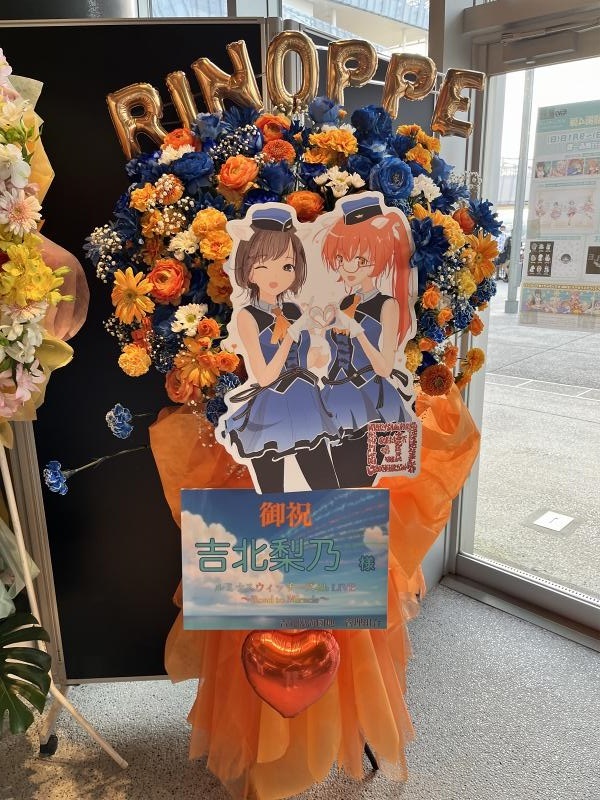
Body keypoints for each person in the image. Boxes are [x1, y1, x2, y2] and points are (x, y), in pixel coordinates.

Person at [221, 206, 339, 493]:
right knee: (271, 491)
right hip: (271, 406)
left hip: (305, 400)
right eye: (264, 264)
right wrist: (290, 337)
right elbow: (264, 377)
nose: (276, 275)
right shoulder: (247, 316)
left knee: (326, 486)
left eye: (287, 266)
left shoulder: (294, 309)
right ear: (248, 269)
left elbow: (306, 360)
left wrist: (325, 343)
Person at [320, 195, 414, 487]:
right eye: (342, 259)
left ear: (379, 259)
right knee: (338, 479)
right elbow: (336, 355)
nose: (349, 268)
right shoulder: (345, 302)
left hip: (373, 400)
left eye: (361, 260)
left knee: (363, 481)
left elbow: (384, 367)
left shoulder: (387, 305)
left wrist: (358, 332)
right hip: (337, 396)